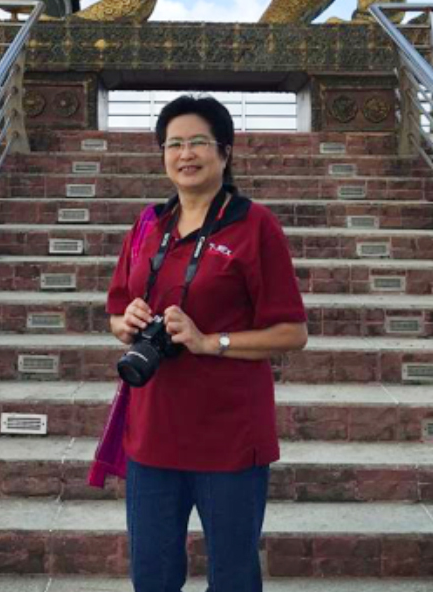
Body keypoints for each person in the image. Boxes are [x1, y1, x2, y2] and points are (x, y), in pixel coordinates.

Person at [106, 95, 308, 592]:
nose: (185, 153)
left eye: (198, 142)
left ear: (225, 151)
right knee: (152, 576)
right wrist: (125, 320)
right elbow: (114, 311)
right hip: (152, 431)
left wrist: (207, 340)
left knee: (234, 576)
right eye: (173, 143)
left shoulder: (254, 225)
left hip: (229, 437)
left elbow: (292, 333)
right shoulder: (147, 224)